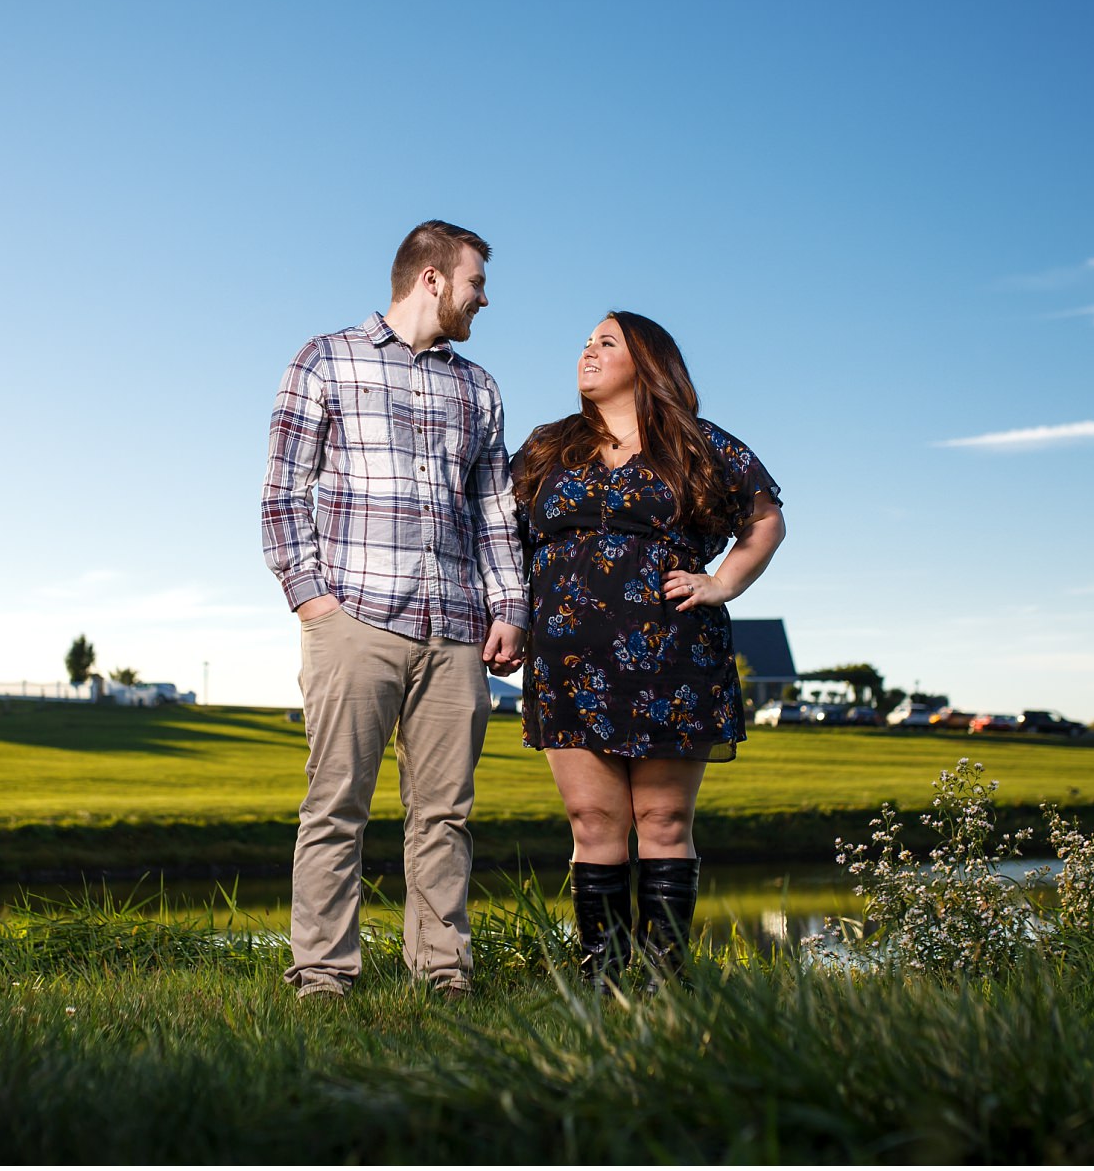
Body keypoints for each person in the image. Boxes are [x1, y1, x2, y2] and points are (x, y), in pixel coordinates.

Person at [261, 220, 528, 1001]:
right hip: (354, 620)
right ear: (435, 278)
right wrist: (311, 598)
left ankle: (444, 975)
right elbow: (283, 493)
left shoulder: (479, 387)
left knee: (444, 815)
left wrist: (509, 603)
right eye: (477, 281)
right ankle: (322, 974)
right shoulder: (324, 359)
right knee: (336, 807)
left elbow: (495, 509)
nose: (485, 297)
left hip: (455, 631)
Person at [512, 311, 786, 987]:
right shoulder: (548, 447)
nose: (588, 351)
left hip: (674, 656)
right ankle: (602, 983)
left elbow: (766, 519)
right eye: (585, 342)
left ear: (648, 361)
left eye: (606, 342)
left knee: (662, 818)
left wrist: (722, 581)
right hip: (567, 658)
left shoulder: (698, 443)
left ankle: (666, 982)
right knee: (591, 818)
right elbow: (500, 534)